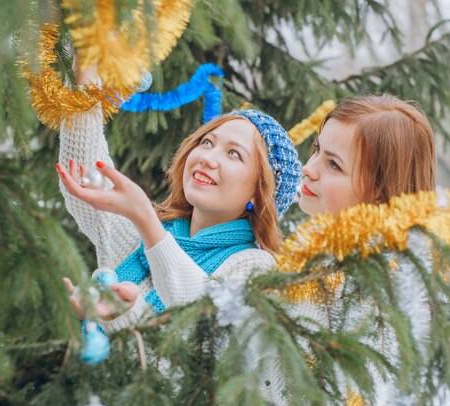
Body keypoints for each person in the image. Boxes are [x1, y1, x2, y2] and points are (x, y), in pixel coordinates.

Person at [56, 66, 302, 333]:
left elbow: (199, 327)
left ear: (259, 192)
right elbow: (85, 178)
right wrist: (86, 75)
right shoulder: (143, 239)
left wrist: (146, 222)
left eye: (234, 154)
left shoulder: (255, 266)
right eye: (207, 142)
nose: (207, 157)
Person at [293, 94, 436, 406]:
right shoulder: (320, 256)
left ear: (380, 194)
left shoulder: (374, 292)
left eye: (333, 164)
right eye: (316, 150)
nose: (309, 168)